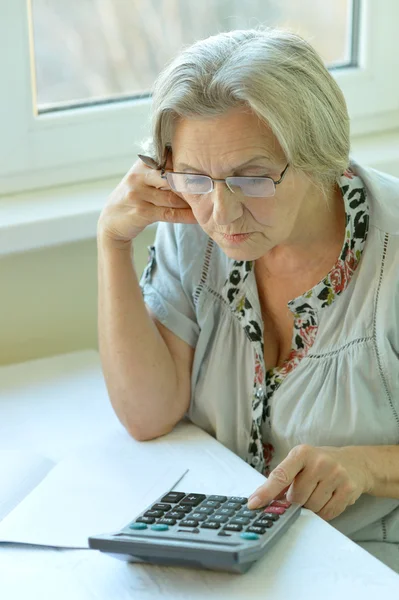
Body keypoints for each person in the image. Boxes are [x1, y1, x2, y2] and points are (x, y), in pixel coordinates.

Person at [97, 28, 399, 573]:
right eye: (194, 176)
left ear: (316, 155)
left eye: (252, 178)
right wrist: (112, 243)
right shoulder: (193, 226)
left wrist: (368, 467)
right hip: (245, 555)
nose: (222, 213)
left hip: (370, 563)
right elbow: (148, 415)